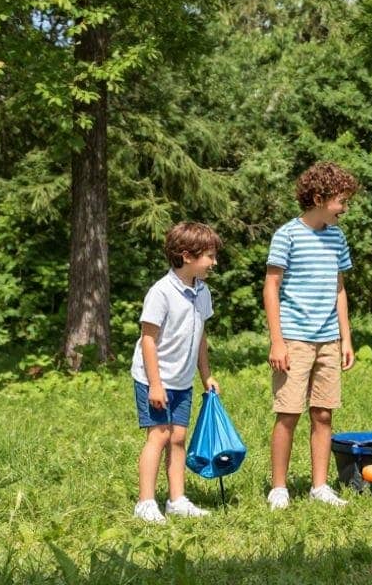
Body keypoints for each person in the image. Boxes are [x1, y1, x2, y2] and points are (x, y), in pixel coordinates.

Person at [265, 161, 360, 510]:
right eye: (341, 202)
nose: (344, 209)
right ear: (319, 198)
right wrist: (278, 340)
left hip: (328, 339)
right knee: (288, 412)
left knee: (323, 413)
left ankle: (320, 486)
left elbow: (339, 289)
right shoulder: (287, 235)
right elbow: (271, 287)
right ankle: (279, 487)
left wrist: (345, 338)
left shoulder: (337, 237)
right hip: (294, 338)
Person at [131, 222, 222, 523]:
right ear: (187, 256)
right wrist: (156, 385)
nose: (214, 262)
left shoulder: (202, 291)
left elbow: (200, 337)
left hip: (182, 380)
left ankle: (177, 499)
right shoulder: (161, 292)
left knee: (178, 438)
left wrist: (205, 375)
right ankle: (145, 503)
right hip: (154, 378)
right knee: (159, 435)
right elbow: (148, 339)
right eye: (209, 256)